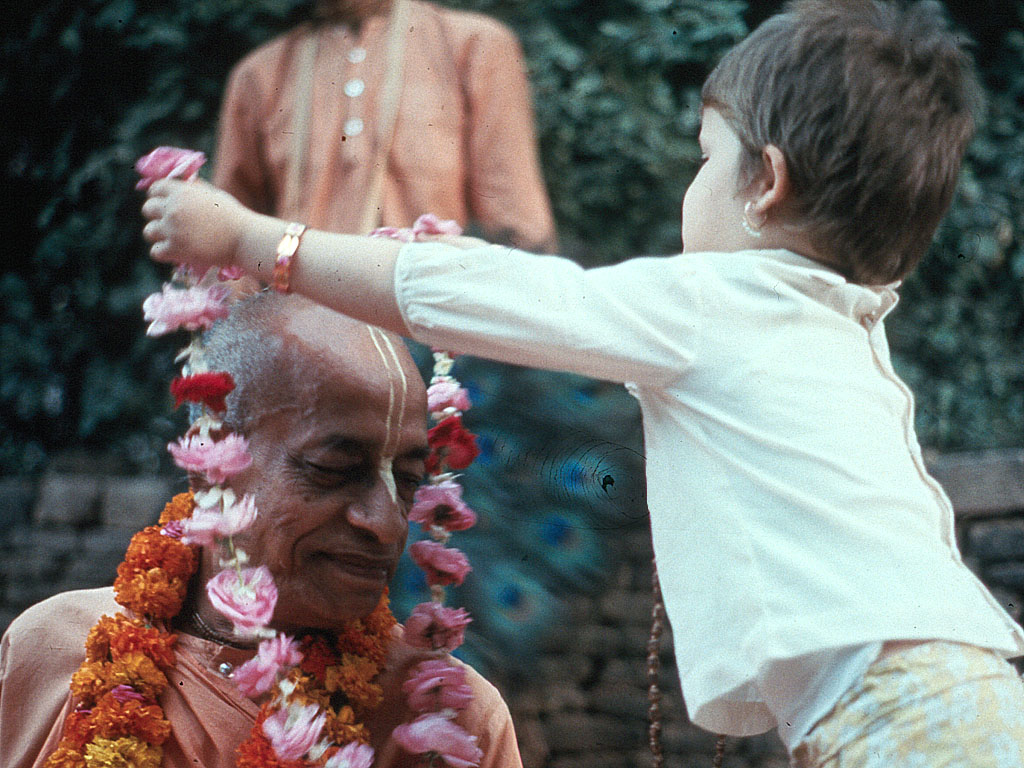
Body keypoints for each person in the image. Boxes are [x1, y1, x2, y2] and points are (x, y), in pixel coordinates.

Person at [141, 0, 1024, 764]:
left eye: (705, 158)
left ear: (767, 187)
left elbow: (503, 286)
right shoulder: (838, 319)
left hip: (902, 717)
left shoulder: (720, 302)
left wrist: (256, 242)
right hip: (957, 691)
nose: (696, 182)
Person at [0, 293, 523, 768]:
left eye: (408, 481)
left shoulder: (446, 724)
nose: (387, 525)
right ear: (211, 460)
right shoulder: (49, 650)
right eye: (333, 469)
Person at [213, 0, 558, 252]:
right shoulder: (259, 74)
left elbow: (518, 222)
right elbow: (225, 243)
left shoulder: (475, 45)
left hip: (431, 324)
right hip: (301, 327)